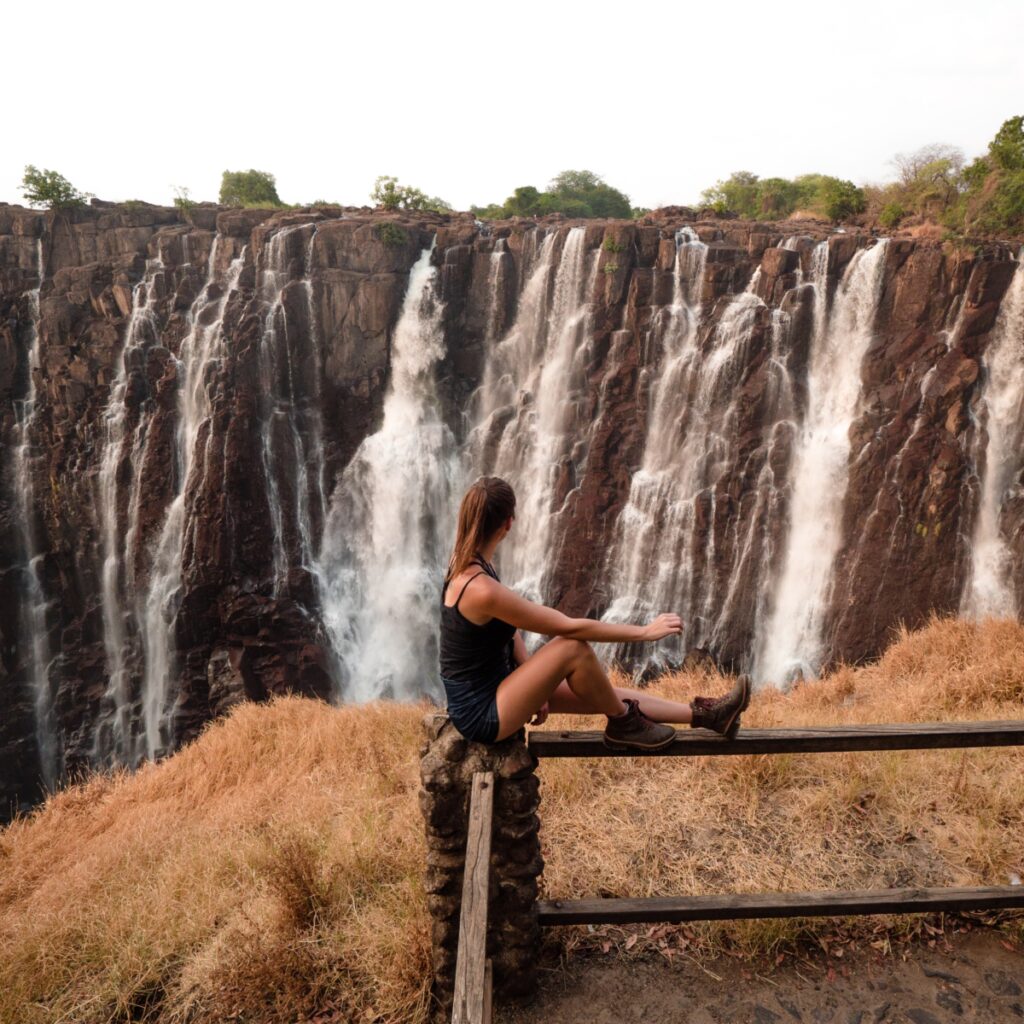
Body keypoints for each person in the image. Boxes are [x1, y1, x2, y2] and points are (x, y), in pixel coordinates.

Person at [439, 475, 750, 750]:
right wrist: (643, 633)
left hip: (501, 686)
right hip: (481, 712)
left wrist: (531, 683)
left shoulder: (468, 562)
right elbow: (569, 628)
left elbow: (509, 627)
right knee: (572, 647)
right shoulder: (480, 588)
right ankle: (623, 723)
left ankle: (709, 715)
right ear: (509, 522)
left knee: (606, 692)